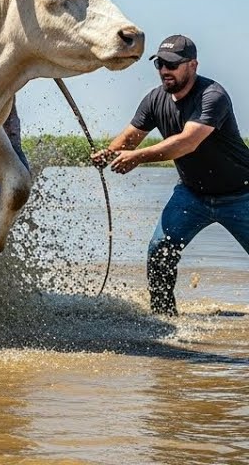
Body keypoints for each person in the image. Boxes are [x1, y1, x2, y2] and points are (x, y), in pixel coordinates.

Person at [92, 35, 249, 315]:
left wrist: (138, 157)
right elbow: (130, 138)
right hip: (191, 195)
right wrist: (109, 153)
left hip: (240, 195)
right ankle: (164, 317)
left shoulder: (213, 96)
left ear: (193, 65)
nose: (165, 70)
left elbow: (186, 142)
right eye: (161, 64)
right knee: (159, 251)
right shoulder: (155, 99)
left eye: (173, 64)